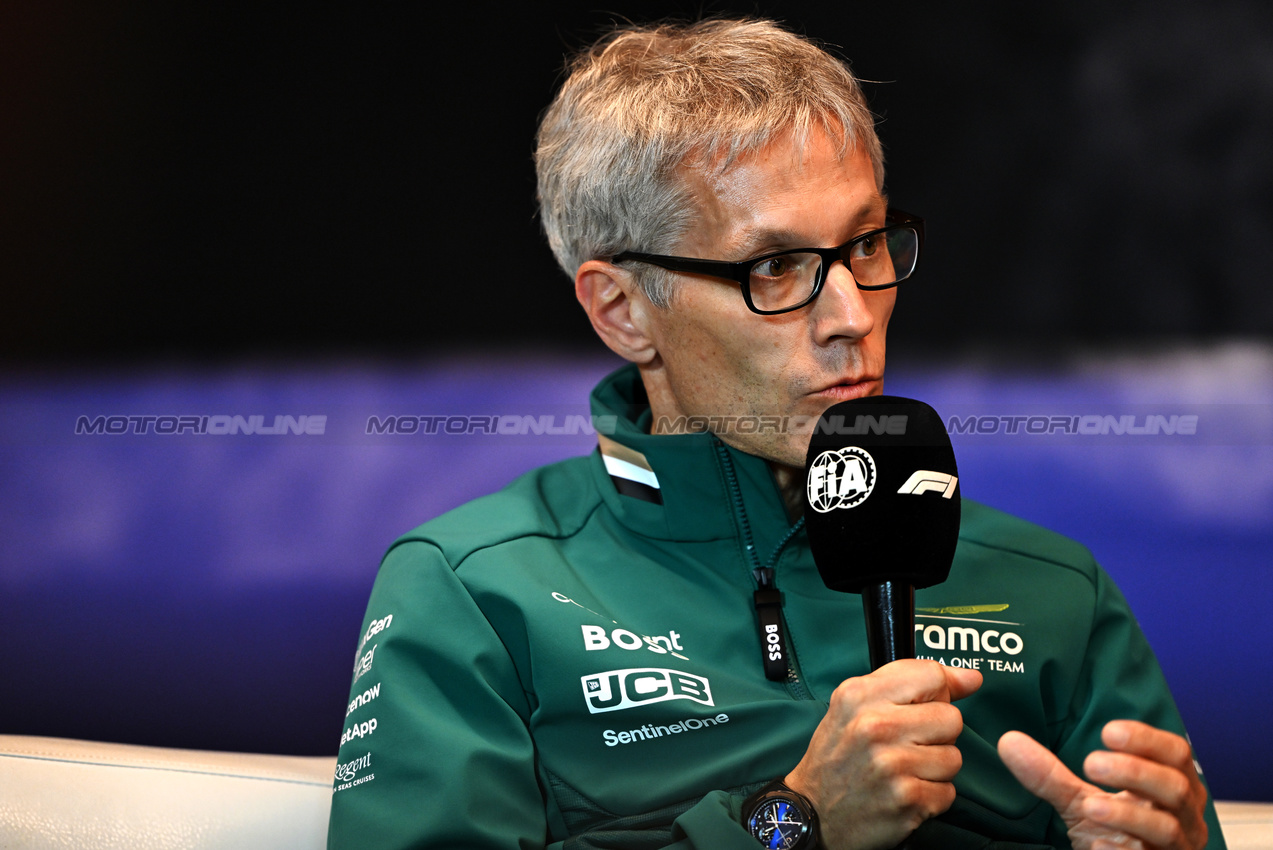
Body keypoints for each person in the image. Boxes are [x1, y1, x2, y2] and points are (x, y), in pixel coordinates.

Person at [326, 18, 1223, 850]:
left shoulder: (1053, 588)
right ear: (624, 310)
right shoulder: (477, 587)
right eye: (777, 266)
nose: (851, 314)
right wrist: (792, 821)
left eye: (866, 244)